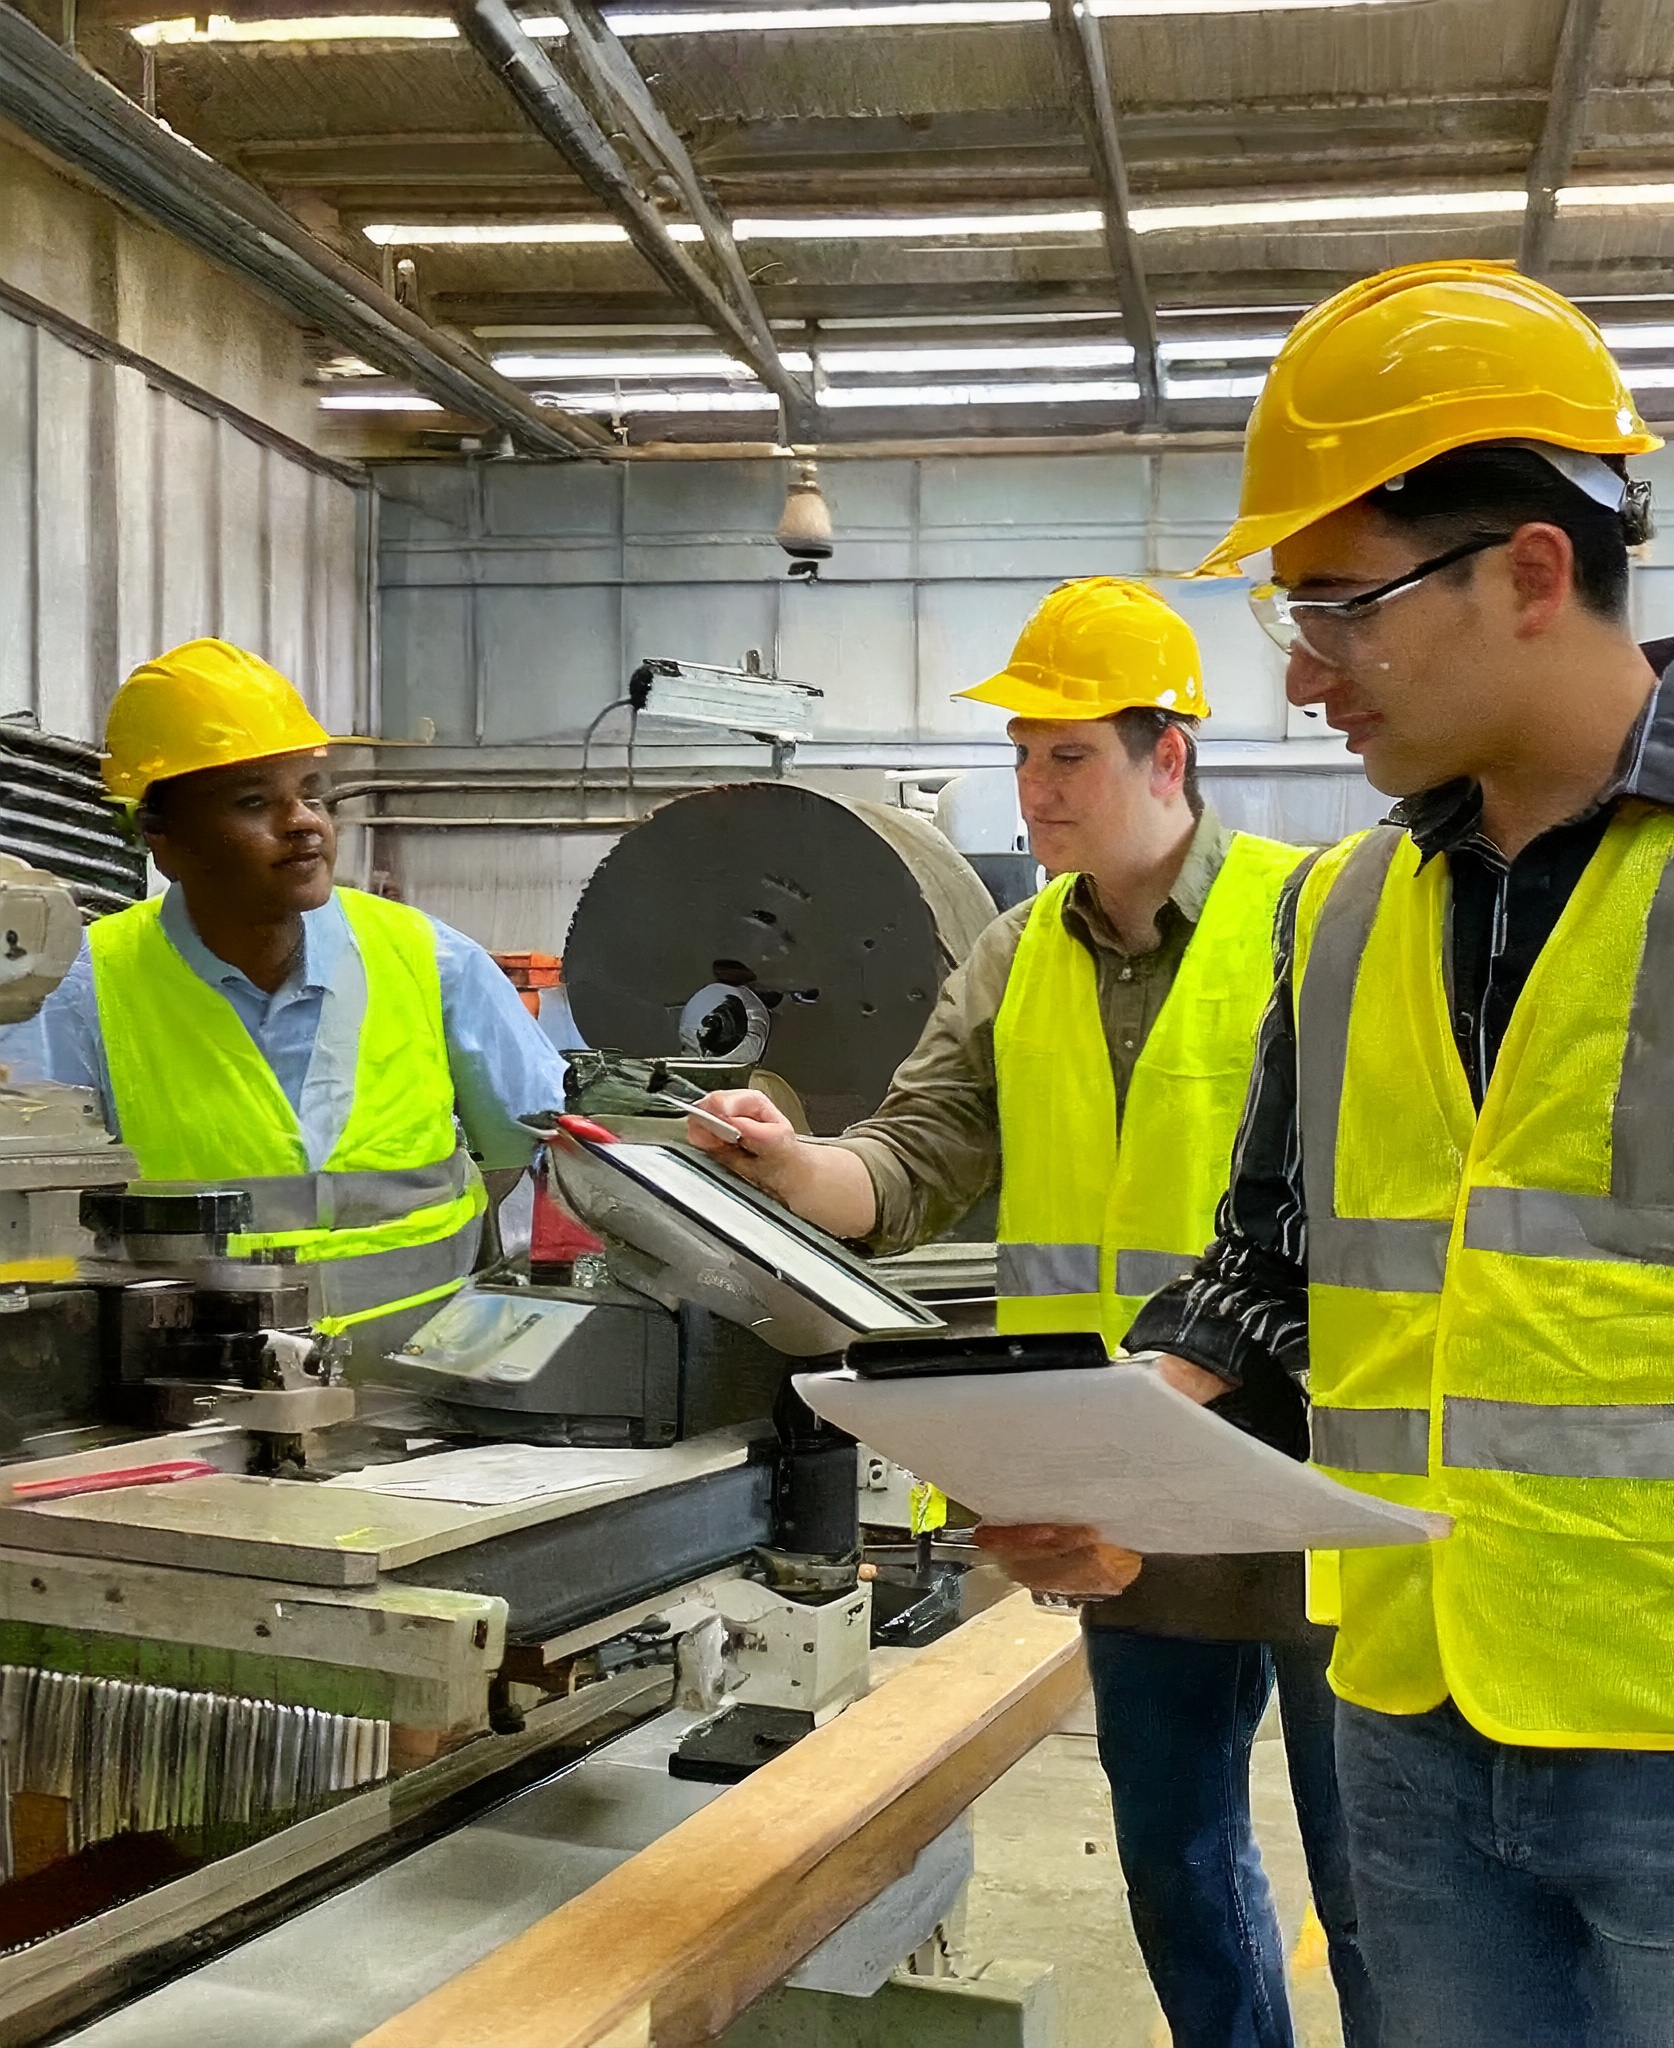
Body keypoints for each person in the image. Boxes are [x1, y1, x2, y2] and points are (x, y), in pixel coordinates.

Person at [1026, 260, 1674, 2047]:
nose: (1298, 669)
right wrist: (1116, 1448)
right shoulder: (1341, 913)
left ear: (1527, 570)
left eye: (1336, 605)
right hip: (1413, 1720)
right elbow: (1268, 1272)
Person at [685, 577, 1374, 2048]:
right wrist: (791, 1156)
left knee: (1376, 1879)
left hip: (1314, 1473)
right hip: (1121, 1495)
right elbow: (914, 1163)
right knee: (1176, 1859)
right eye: (1022, 756)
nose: (1033, 790)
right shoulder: (1013, 954)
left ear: (1166, 757)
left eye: (1067, 756)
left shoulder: (1310, 918)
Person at [0, 638, 563, 1352]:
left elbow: (546, 1151)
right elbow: (33, 1215)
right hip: (195, 1409)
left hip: (431, 1400)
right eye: (254, 800)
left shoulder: (432, 960)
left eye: (311, 793)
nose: (304, 822)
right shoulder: (82, 987)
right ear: (163, 840)